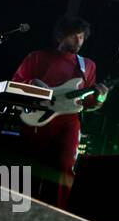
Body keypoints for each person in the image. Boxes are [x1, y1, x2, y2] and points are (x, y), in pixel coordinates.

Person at [11, 15, 108, 208]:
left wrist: (100, 98)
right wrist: (33, 84)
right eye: (74, 36)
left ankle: (56, 215)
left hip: (68, 122)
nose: (78, 41)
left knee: (64, 168)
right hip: (37, 117)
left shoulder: (87, 65)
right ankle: (18, 213)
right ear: (61, 36)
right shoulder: (37, 57)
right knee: (27, 168)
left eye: (81, 37)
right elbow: (15, 84)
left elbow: (87, 102)